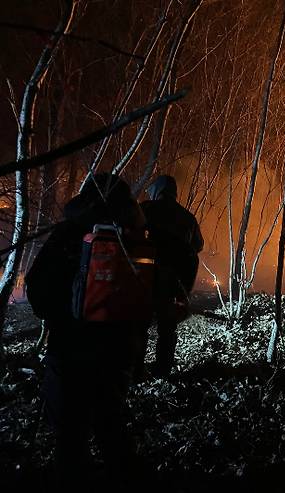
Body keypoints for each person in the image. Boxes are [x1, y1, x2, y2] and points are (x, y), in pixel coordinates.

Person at [26, 173, 146, 490]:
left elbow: (37, 290)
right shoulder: (134, 235)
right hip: (119, 351)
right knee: (112, 427)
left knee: (70, 437)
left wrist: (60, 315)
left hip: (70, 349)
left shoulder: (69, 232)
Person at [139, 175, 203, 377]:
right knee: (167, 329)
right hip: (173, 283)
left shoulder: (145, 209)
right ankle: (162, 370)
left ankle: (136, 370)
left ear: (157, 191)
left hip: (144, 279)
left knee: (139, 327)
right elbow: (198, 246)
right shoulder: (187, 218)